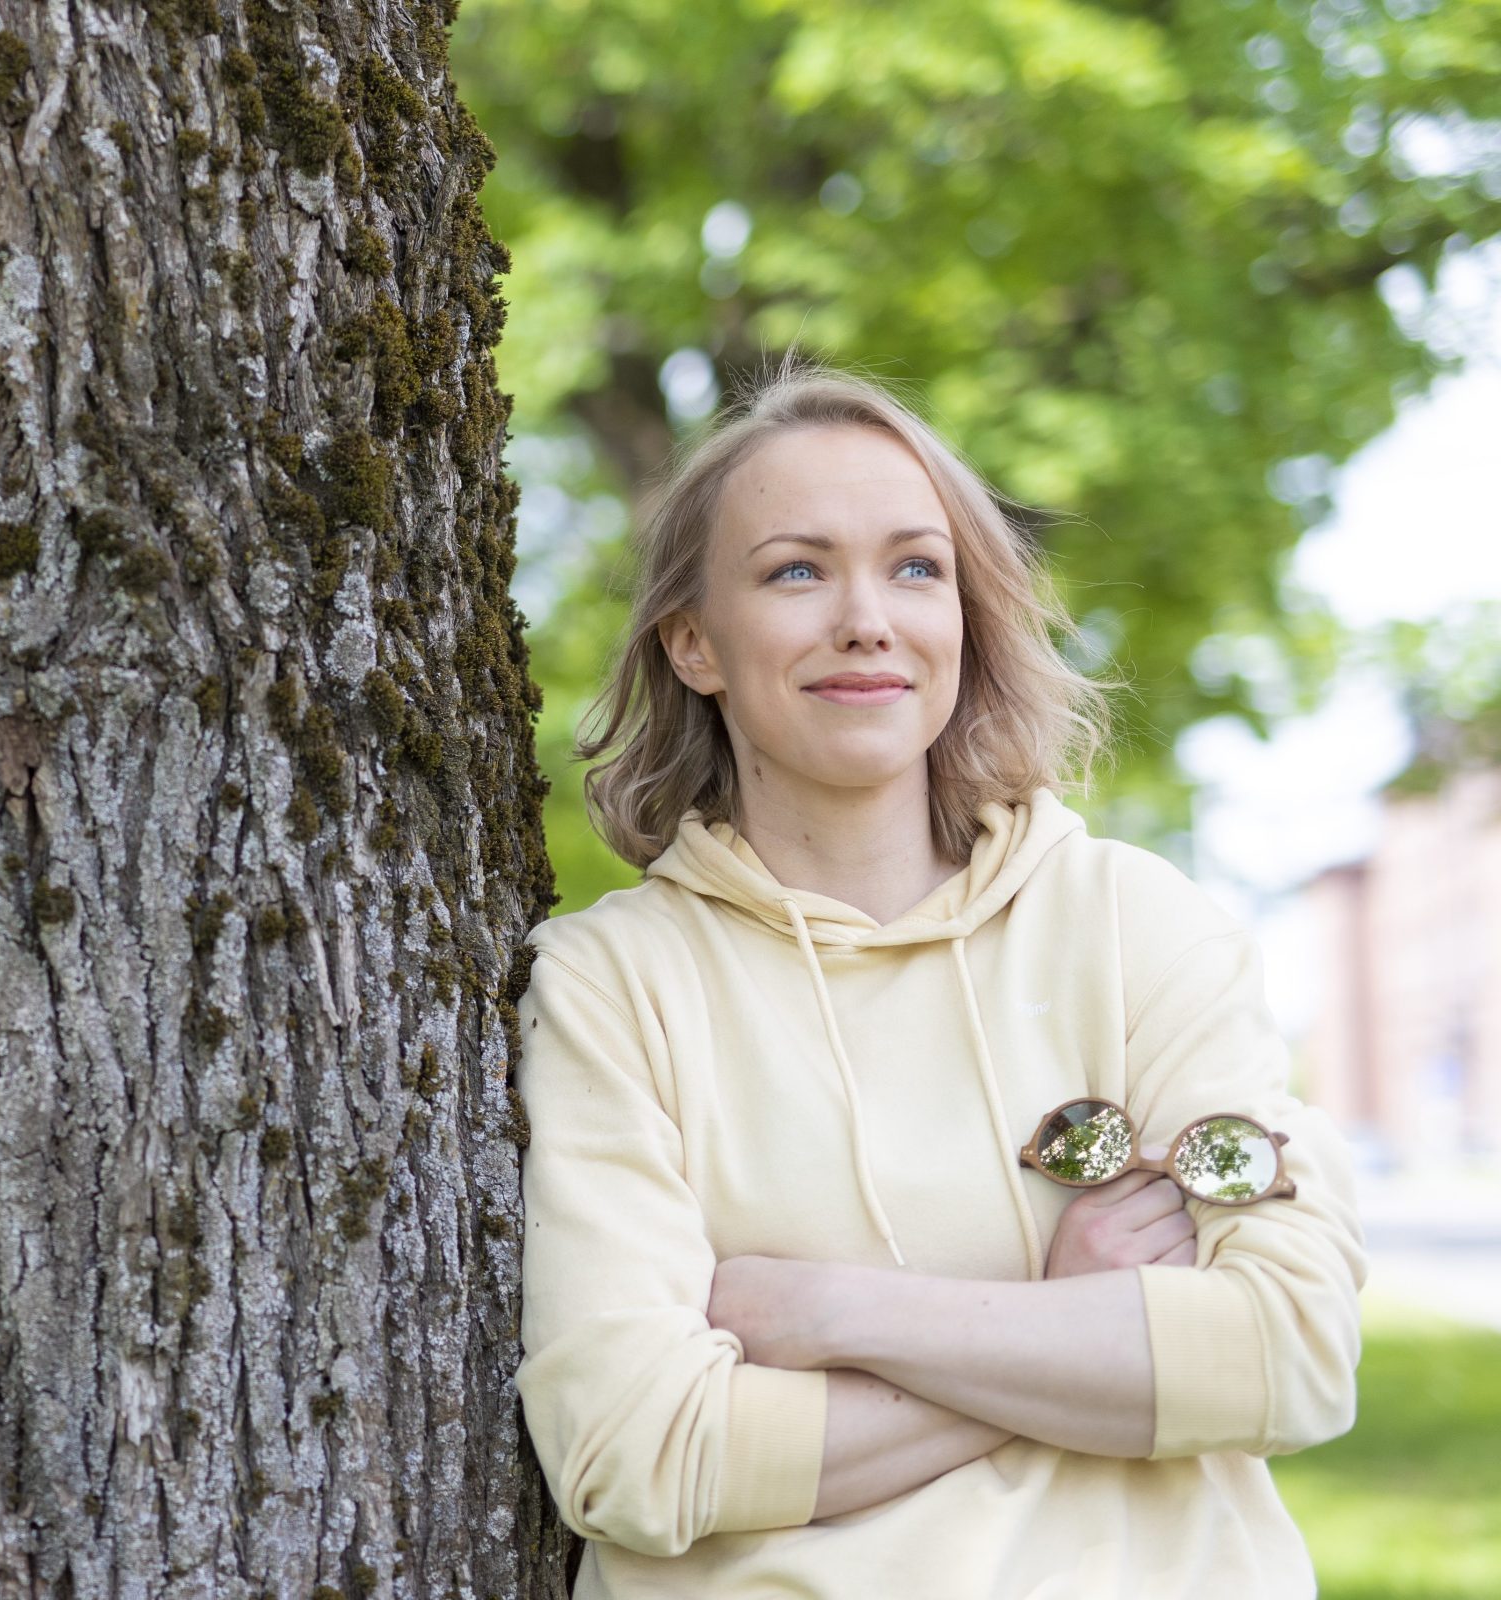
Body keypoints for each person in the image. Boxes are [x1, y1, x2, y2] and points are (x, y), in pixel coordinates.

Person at [512, 358, 1367, 1598]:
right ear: (693, 640)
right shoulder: (613, 983)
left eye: (916, 567)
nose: (868, 617)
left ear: (962, 617)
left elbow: (1290, 1355)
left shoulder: (1135, 925)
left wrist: (839, 1315)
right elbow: (638, 1453)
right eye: (795, 569)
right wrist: (1071, 1323)